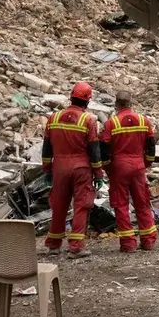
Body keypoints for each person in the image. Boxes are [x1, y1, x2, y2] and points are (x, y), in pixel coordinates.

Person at [39, 81, 103, 257]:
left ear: (71, 97)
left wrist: (46, 169)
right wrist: (98, 174)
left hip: (59, 167)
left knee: (59, 205)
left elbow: (46, 148)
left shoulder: (53, 118)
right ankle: (76, 246)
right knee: (81, 205)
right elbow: (94, 151)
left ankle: (53, 244)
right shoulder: (88, 120)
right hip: (81, 168)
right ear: (88, 101)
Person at [100, 89, 158, 252]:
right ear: (131, 103)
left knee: (121, 205)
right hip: (138, 166)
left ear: (117, 104)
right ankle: (148, 241)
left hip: (119, 167)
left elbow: (103, 148)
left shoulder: (111, 123)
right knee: (142, 203)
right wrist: (145, 163)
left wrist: (107, 168)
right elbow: (151, 145)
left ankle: (128, 244)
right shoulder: (143, 121)